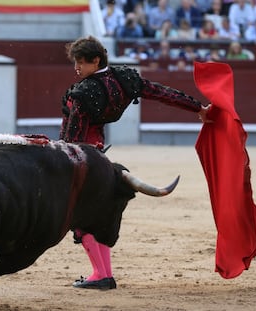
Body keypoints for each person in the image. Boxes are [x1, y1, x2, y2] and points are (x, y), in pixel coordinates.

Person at [60, 35, 210, 290]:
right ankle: (103, 274)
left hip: (81, 157)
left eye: (81, 63)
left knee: (79, 215)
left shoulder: (84, 92)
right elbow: (162, 93)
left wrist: (61, 162)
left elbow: (73, 138)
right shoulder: (124, 78)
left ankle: (101, 274)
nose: (77, 69)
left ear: (96, 61)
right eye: (75, 63)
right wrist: (197, 108)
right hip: (99, 155)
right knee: (99, 214)